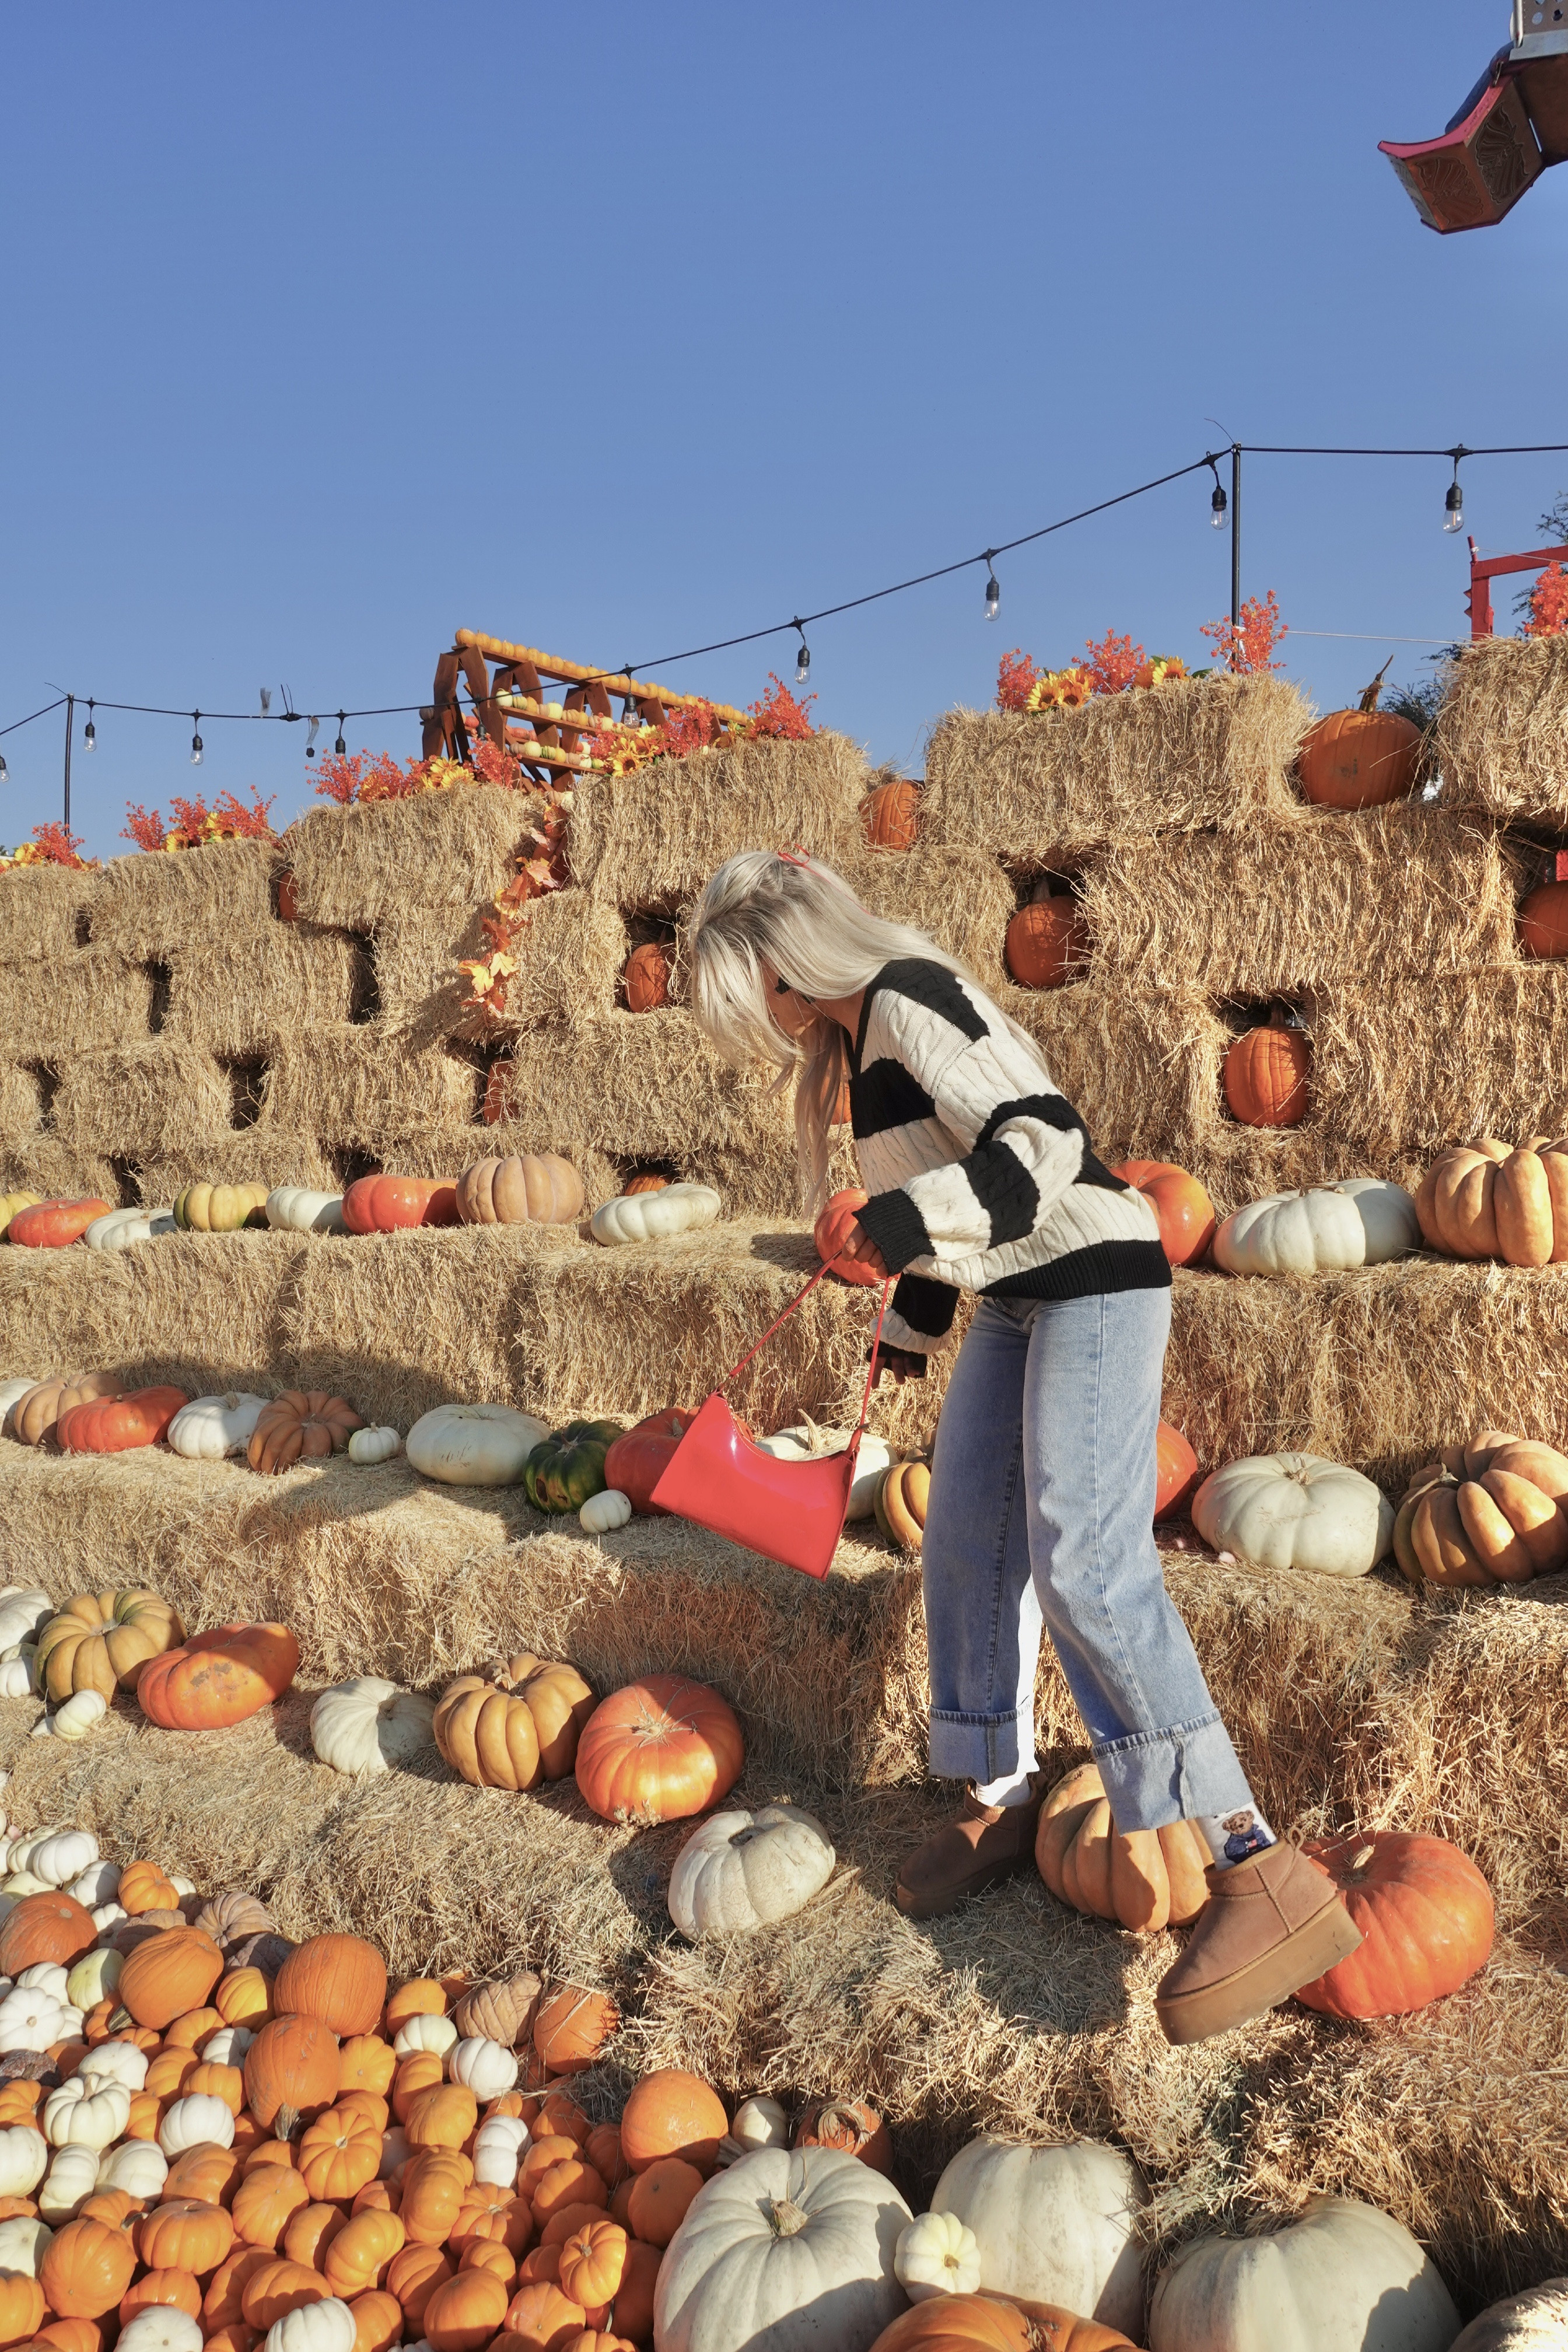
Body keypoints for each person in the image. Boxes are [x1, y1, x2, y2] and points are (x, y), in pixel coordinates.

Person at [687, 848, 1362, 2045]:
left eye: (756, 1002)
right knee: (963, 1545)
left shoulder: (908, 997)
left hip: (1096, 1274)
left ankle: (1255, 1867)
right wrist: (908, 1316)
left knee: (1087, 1561)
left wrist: (893, 1223)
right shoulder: (854, 1051)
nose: (764, 1030)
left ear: (786, 970)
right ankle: (999, 1791)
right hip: (1015, 1294)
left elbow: (1041, 1142)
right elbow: (954, 1211)